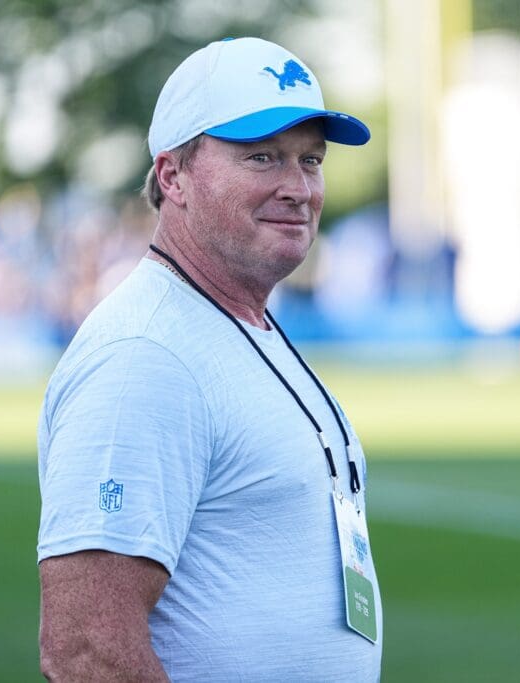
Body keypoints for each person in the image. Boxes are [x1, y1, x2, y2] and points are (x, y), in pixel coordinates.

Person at [36, 37, 382, 681]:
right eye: (261, 158)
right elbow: (85, 650)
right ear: (174, 176)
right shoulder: (145, 356)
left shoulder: (237, 321)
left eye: (310, 160)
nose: (298, 188)